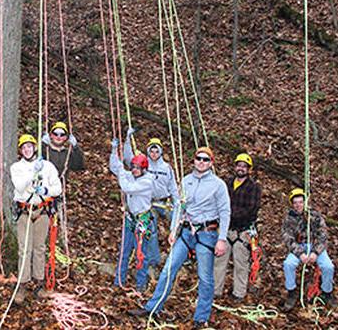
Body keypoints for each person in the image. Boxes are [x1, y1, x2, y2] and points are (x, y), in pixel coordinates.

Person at [129, 147, 230, 328]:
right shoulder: (186, 181)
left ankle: (201, 317)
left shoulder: (218, 185)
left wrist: (222, 239)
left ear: (211, 163)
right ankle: (153, 307)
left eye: (206, 160)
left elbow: (225, 212)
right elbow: (179, 207)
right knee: (169, 268)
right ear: (194, 160)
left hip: (207, 234)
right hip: (185, 232)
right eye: (199, 158)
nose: (201, 162)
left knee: (205, 276)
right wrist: (173, 230)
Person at [10, 134, 62, 304]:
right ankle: (22, 283)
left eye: (29, 147)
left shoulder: (47, 166)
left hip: (42, 210)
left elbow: (58, 188)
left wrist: (45, 191)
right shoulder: (16, 167)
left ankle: (39, 282)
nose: (27, 150)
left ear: (34, 148)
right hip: (25, 211)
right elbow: (19, 186)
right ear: (20, 150)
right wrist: (33, 171)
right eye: (24, 147)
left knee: (39, 248)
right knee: (24, 249)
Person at [109, 139, 159, 291]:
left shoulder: (147, 181)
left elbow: (127, 187)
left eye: (138, 168)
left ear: (144, 169)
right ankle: (119, 281)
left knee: (141, 253)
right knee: (124, 250)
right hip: (130, 218)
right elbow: (115, 167)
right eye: (133, 167)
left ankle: (140, 285)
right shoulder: (131, 175)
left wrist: (122, 174)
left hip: (142, 220)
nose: (135, 170)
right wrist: (114, 150)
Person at [214, 153, 262, 302]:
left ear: (249, 169)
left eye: (244, 166)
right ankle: (216, 290)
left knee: (241, 263)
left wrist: (227, 214)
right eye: (239, 165)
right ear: (235, 167)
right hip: (225, 230)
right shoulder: (226, 184)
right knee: (219, 261)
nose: (241, 168)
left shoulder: (254, 188)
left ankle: (239, 293)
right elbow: (218, 202)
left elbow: (251, 210)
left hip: (243, 231)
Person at [281, 188, 337, 311]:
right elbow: (287, 237)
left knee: (328, 267)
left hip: (315, 246)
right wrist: (300, 253)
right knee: (288, 264)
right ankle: (291, 291)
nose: (298, 205)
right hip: (299, 247)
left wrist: (315, 252)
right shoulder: (288, 218)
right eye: (295, 203)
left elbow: (323, 235)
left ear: (305, 202)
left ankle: (327, 292)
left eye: (301, 202)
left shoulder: (315, 215)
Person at [123, 134, 179, 232]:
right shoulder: (143, 165)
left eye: (157, 151)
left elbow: (172, 187)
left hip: (163, 203)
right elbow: (128, 159)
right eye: (152, 151)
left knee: (177, 219)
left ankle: (174, 240)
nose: (154, 154)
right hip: (147, 203)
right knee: (150, 222)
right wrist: (127, 140)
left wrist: (177, 202)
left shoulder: (166, 168)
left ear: (161, 152)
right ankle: (151, 244)